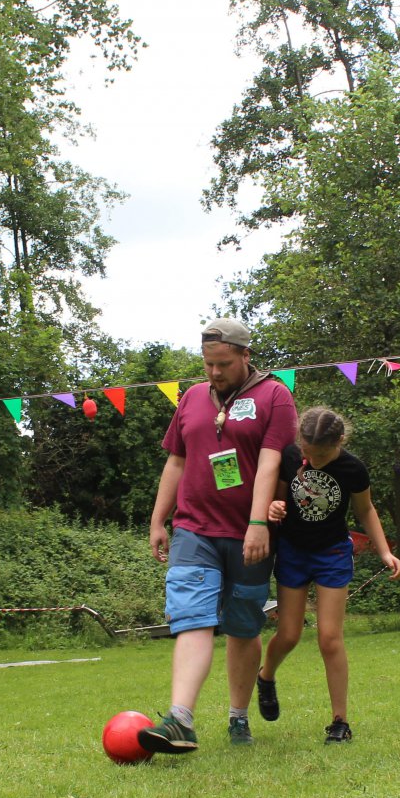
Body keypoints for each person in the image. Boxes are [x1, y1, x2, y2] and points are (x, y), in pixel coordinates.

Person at [139, 318, 298, 754]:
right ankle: (181, 719)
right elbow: (175, 462)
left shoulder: (275, 396)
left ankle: (238, 716)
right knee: (191, 615)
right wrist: (159, 520)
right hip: (194, 528)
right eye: (208, 364)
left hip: (251, 533)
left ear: (246, 356)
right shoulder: (191, 397)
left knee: (243, 625)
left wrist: (258, 524)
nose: (214, 373)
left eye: (223, 364)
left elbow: (269, 463)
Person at [258, 407, 400, 744]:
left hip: (333, 553)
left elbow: (365, 510)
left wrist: (384, 551)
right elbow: (277, 499)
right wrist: (274, 508)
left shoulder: (353, 468)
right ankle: (266, 677)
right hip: (293, 551)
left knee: (329, 636)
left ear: (339, 441)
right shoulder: (291, 455)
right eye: (308, 451)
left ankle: (340, 721)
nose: (313, 458)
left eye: (321, 453)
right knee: (290, 634)